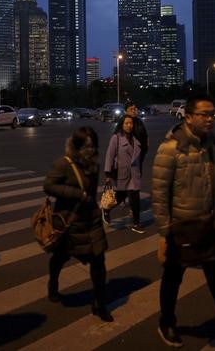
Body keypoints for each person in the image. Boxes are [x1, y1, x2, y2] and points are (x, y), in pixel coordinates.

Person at [152, 94, 215, 349]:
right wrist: (164, 233)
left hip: (213, 227)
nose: (209, 119)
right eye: (203, 114)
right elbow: (160, 194)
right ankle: (167, 321)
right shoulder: (171, 148)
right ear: (188, 117)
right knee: (173, 280)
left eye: (212, 114)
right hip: (182, 229)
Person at [43, 126, 113, 322]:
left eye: (94, 146)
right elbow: (48, 185)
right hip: (70, 222)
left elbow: (91, 190)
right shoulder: (64, 164)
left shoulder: (94, 164)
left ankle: (99, 304)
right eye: (87, 146)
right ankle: (53, 283)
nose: (91, 150)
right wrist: (75, 194)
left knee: (99, 262)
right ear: (78, 145)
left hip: (91, 220)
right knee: (60, 258)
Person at [103, 114, 144, 233]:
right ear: (122, 124)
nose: (129, 125)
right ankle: (106, 209)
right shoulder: (116, 138)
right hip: (122, 172)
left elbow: (138, 157)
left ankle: (136, 224)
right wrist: (108, 174)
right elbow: (109, 155)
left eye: (131, 123)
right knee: (119, 197)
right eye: (126, 123)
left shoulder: (135, 138)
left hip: (134, 174)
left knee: (135, 198)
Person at [125, 102, 148, 168]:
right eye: (131, 109)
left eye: (135, 109)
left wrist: (144, 149)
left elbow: (145, 135)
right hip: (127, 157)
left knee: (137, 175)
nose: (133, 111)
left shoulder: (139, 121)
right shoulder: (123, 122)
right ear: (126, 111)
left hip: (139, 155)